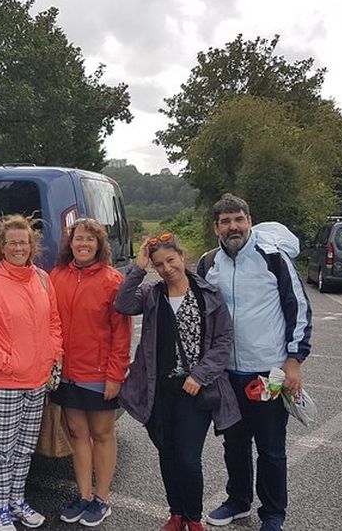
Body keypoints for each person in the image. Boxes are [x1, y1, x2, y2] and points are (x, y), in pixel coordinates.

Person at [198, 194, 312, 531]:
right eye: (225, 221)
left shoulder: (274, 259)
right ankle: (237, 502)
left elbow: (299, 309)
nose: (233, 226)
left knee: (271, 448)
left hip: (269, 372)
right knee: (234, 443)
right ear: (216, 227)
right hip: (227, 373)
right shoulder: (208, 264)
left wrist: (294, 361)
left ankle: (273, 514)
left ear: (249, 220)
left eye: (239, 219)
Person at [114, 232, 240, 531]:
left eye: (170, 260)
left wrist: (200, 374)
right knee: (167, 454)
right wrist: (139, 265)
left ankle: (193, 517)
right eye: (159, 264)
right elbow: (122, 303)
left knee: (187, 458)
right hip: (158, 390)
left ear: (182, 257)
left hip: (193, 390)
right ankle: (176, 513)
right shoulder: (152, 294)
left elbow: (223, 340)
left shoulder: (208, 294)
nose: (166, 268)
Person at [0, 214, 63, 531]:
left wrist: (51, 355)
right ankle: (0, 510)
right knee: (2, 452)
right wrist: (9, 363)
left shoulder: (42, 279)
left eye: (24, 242)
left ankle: (17, 501)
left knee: (24, 450)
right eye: (12, 243)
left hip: (37, 381)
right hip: (2, 384)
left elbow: (54, 324)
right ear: (2, 246)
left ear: (32, 245)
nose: (18, 248)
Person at [49, 218, 131, 527]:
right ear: (70, 244)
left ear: (99, 245)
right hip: (66, 372)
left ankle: (102, 498)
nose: (83, 244)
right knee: (78, 434)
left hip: (99, 373)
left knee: (102, 434)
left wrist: (115, 374)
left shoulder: (112, 280)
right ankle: (83, 495)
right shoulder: (56, 276)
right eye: (78, 238)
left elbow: (121, 333)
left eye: (90, 240)